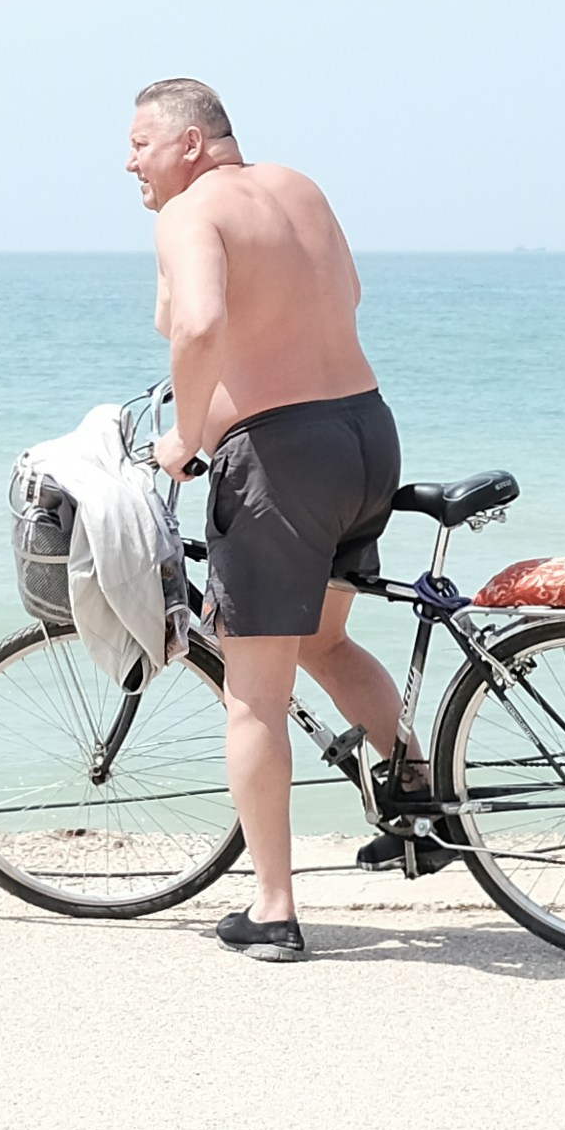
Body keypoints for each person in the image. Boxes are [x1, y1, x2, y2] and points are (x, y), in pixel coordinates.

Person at [128, 78, 418, 965]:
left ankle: (274, 909)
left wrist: (184, 433)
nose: (127, 160)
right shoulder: (298, 186)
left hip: (284, 460)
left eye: (139, 142)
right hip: (364, 432)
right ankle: (419, 799)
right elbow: (351, 293)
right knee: (326, 641)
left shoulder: (190, 212)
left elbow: (203, 320)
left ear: (187, 141)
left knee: (254, 691)